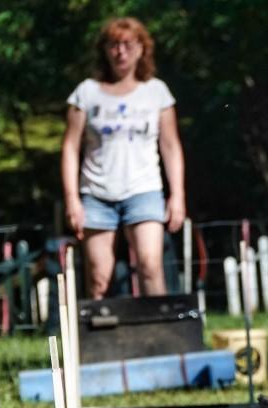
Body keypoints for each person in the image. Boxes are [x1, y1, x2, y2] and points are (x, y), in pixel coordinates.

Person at [61, 15, 186, 299]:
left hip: (144, 189)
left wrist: (177, 195)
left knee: (150, 266)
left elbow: (170, 146)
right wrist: (72, 199)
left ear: (142, 49)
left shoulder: (156, 92)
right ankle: (103, 328)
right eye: (114, 45)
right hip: (97, 193)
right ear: (104, 50)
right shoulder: (86, 93)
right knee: (99, 277)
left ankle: (158, 326)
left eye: (128, 45)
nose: (121, 52)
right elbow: (70, 147)